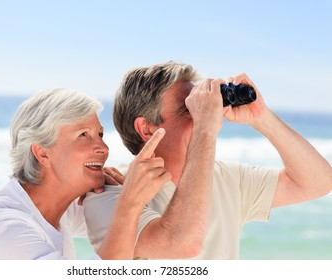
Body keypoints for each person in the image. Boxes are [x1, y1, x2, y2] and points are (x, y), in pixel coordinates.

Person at [83, 61, 332, 259]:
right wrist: (205, 126)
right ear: (147, 129)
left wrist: (261, 117)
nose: (205, 114)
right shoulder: (111, 194)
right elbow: (183, 243)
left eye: (201, 106)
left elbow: (318, 182)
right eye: (189, 109)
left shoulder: (227, 179)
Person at [0, 88, 171, 260]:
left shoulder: (60, 207)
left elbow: (134, 232)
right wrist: (129, 202)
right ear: (42, 153)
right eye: (83, 134)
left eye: (100, 134)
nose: (103, 148)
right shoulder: (2, 228)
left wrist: (128, 191)